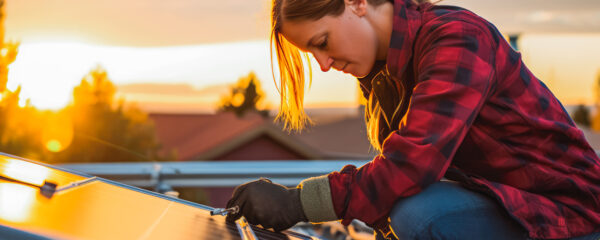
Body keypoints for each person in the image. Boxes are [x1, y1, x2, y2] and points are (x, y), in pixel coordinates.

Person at [226, 0, 600, 239]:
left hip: (568, 214)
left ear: (357, 3)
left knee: (418, 215)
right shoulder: (382, 71)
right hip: (503, 204)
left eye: (322, 43)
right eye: (312, 54)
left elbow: (410, 166)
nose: (323, 65)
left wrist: (297, 203)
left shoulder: (457, 38)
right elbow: (398, 177)